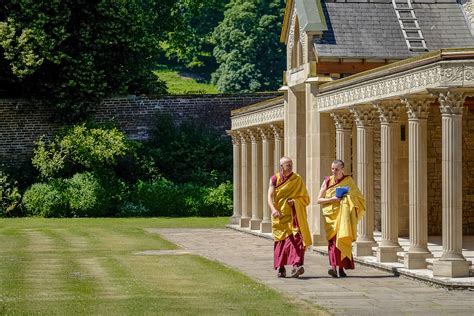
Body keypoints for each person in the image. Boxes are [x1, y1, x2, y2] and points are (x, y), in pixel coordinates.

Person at [317, 159, 365, 278]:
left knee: (342, 239)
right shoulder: (327, 181)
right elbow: (319, 200)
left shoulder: (349, 182)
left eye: (336, 169)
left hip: (344, 218)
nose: (334, 171)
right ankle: (333, 267)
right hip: (331, 217)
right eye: (332, 169)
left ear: (342, 169)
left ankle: (341, 268)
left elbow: (359, 199)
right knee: (333, 243)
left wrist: (347, 198)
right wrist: (331, 199)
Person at [267, 157, 312, 278]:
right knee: (281, 243)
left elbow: (305, 198)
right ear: (281, 167)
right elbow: (270, 196)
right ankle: (281, 268)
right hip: (280, 216)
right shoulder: (275, 179)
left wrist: (295, 201)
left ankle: (296, 266)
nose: (290, 167)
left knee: (296, 240)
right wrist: (273, 210)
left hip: (293, 216)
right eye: (288, 165)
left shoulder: (297, 179)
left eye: (291, 165)